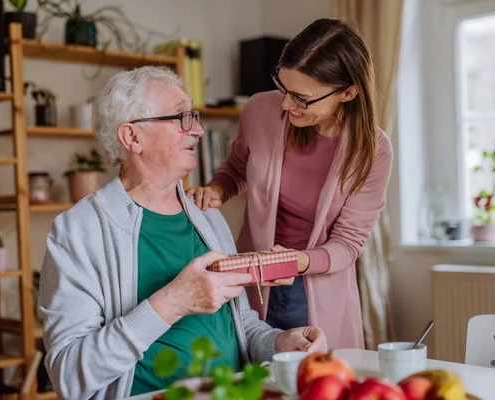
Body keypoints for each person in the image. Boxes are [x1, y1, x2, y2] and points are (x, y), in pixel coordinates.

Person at [38, 66, 327, 400]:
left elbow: (240, 326)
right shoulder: (78, 231)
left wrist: (279, 344)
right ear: (133, 137)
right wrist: (172, 302)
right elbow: (70, 375)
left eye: (194, 116)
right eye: (181, 118)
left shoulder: (207, 217)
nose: (199, 131)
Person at [187, 18, 393, 350]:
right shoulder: (259, 110)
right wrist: (216, 190)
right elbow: (238, 166)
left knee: (315, 381)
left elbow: (349, 243)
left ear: (348, 92)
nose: (285, 105)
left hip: (315, 289)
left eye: (301, 98)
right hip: (250, 279)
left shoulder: (373, 150)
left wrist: (295, 262)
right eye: (282, 87)